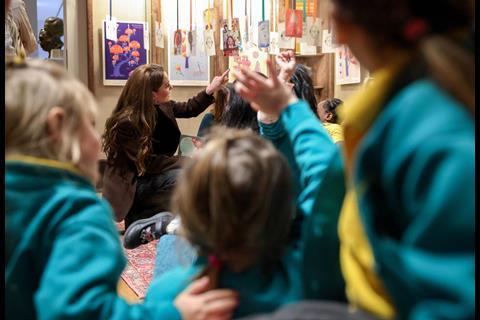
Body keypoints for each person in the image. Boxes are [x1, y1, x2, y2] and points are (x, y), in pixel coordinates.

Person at [234, 0, 475, 318]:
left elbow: (453, 301)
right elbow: (329, 176)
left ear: (340, 25)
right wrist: (284, 110)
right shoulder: (404, 102)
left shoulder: (434, 125)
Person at [5, 59, 239, 320]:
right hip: (134, 185)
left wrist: (211, 89)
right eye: (88, 123)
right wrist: (172, 312)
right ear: (56, 126)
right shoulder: (77, 214)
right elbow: (86, 313)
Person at [102, 63, 229, 247]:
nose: (171, 88)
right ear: (152, 95)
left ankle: (177, 222)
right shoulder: (126, 123)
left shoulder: (161, 107)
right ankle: (154, 222)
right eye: (167, 86)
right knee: (182, 176)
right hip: (134, 183)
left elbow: (188, 108)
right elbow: (145, 163)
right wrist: (186, 161)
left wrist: (211, 89)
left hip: (154, 174)